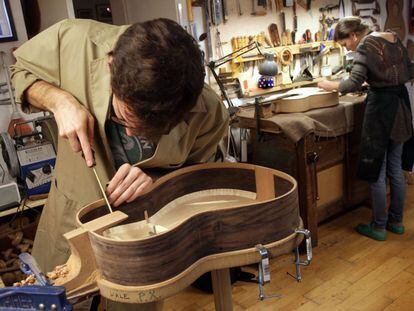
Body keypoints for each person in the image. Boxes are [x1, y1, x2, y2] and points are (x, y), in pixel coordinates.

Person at [11, 17, 229, 305]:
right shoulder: (75, 40)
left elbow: (200, 180)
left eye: (149, 132)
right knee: (51, 300)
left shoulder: (209, 112)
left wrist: (157, 182)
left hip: (140, 242)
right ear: (111, 65)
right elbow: (20, 71)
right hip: (70, 221)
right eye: (122, 118)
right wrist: (58, 100)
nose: (129, 133)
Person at [318, 16, 414, 241]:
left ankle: (379, 227)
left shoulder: (365, 46)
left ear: (353, 35)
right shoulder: (394, 38)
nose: (347, 49)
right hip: (401, 107)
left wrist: (328, 84)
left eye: (345, 44)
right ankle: (396, 222)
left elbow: (351, 84)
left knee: (376, 172)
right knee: (396, 169)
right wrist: (379, 80)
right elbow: (408, 72)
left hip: (381, 111)